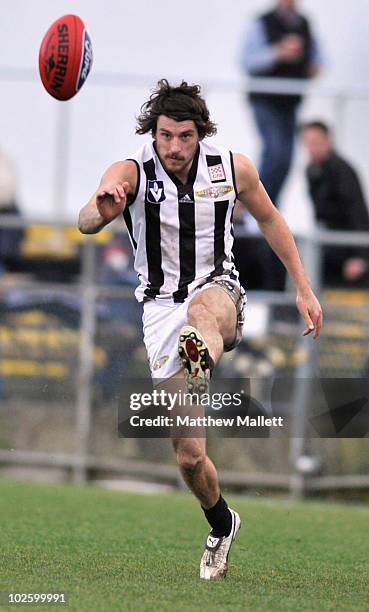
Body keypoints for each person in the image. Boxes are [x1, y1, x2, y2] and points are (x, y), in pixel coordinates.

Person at [78, 79, 323, 580]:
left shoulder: (231, 168)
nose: (173, 147)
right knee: (190, 458)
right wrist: (100, 209)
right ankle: (221, 522)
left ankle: (200, 351)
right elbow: (86, 219)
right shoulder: (133, 169)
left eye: (184, 136)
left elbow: (274, 220)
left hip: (218, 290)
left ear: (199, 134)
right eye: (165, 135)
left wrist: (303, 288)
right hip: (158, 310)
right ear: (155, 132)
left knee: (203, 316)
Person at [239, 0, 323, 289]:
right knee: (275, 153)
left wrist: (306, 64)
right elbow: (248, 61)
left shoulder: (305, 24)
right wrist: (278, 53)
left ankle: (265, 210)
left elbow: (319, 62)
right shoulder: (259, 23)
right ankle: (257, 210)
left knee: (284, 160)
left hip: (290, 102)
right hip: (266, 99)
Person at [300, 120, 369, 286]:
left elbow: (357, 212)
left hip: (347, 248)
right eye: (308, 143)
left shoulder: (342, 170)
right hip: (329, 247)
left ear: (328, 141)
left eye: (316, 142)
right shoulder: (311, 171)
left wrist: (361, 256)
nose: (312, 148)